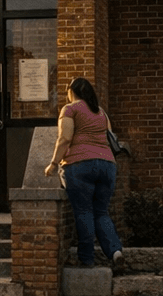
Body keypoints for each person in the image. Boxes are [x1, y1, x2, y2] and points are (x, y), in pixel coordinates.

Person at [43, 77, 124, 270]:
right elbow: (110, 138)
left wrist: (54, 164)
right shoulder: (101, 113)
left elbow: (64, 138)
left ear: (72, 92)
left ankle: (87, 260)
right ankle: (115, 251)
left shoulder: (70, 109)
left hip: (80, 165)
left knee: (84, 211)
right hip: (107, 166)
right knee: (101, 212)